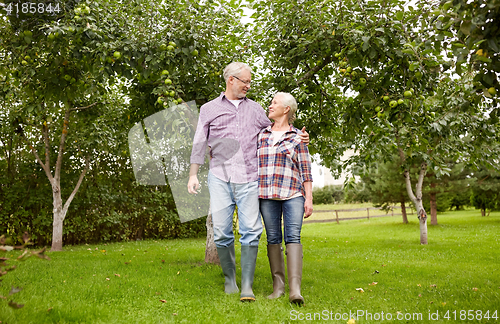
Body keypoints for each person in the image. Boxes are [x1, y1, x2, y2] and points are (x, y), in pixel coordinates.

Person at [187, 62, 308, 302]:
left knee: (251, 231)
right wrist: (193, 174)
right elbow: (200, 142)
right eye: (245, 82)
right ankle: (230, 278)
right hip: (220, 177)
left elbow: (275, 131)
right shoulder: (209, 109)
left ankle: (247, 286)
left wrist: (299, 135)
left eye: (250, 82)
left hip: (251, 177)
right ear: (231, 80)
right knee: (221, 232)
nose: (248, 86)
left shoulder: (255, 109)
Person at [257, 92, 313, 304]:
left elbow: (306, 171)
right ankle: (278, 287)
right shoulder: (261, 135)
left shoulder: (298, 136)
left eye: (274, 103)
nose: (270, 106)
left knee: (293, 237)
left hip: (292, 194)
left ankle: (295, 290)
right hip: (266, 195)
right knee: (273, 238)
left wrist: (309, 199)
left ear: (286, 109)